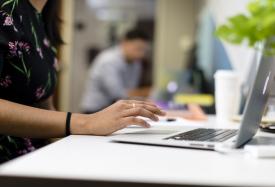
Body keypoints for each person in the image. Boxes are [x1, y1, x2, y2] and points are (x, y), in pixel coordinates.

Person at [0, 0, 165, 163]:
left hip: (35, 153)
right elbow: (119, 94)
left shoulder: (42, 20)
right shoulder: (6, 10)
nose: (141, 53)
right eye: (138, 48)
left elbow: (44, 105)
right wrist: (86, 122)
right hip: (10, 157)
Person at [81, 29, 150, 113]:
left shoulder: (136, 63)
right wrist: (145, 92)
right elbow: (117, 94)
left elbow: (131, 90)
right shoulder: (109, 60)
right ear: (124, 42)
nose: (141, 54)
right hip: (95, 110)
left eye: (144, 50)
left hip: (115, 109)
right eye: (138, 49)